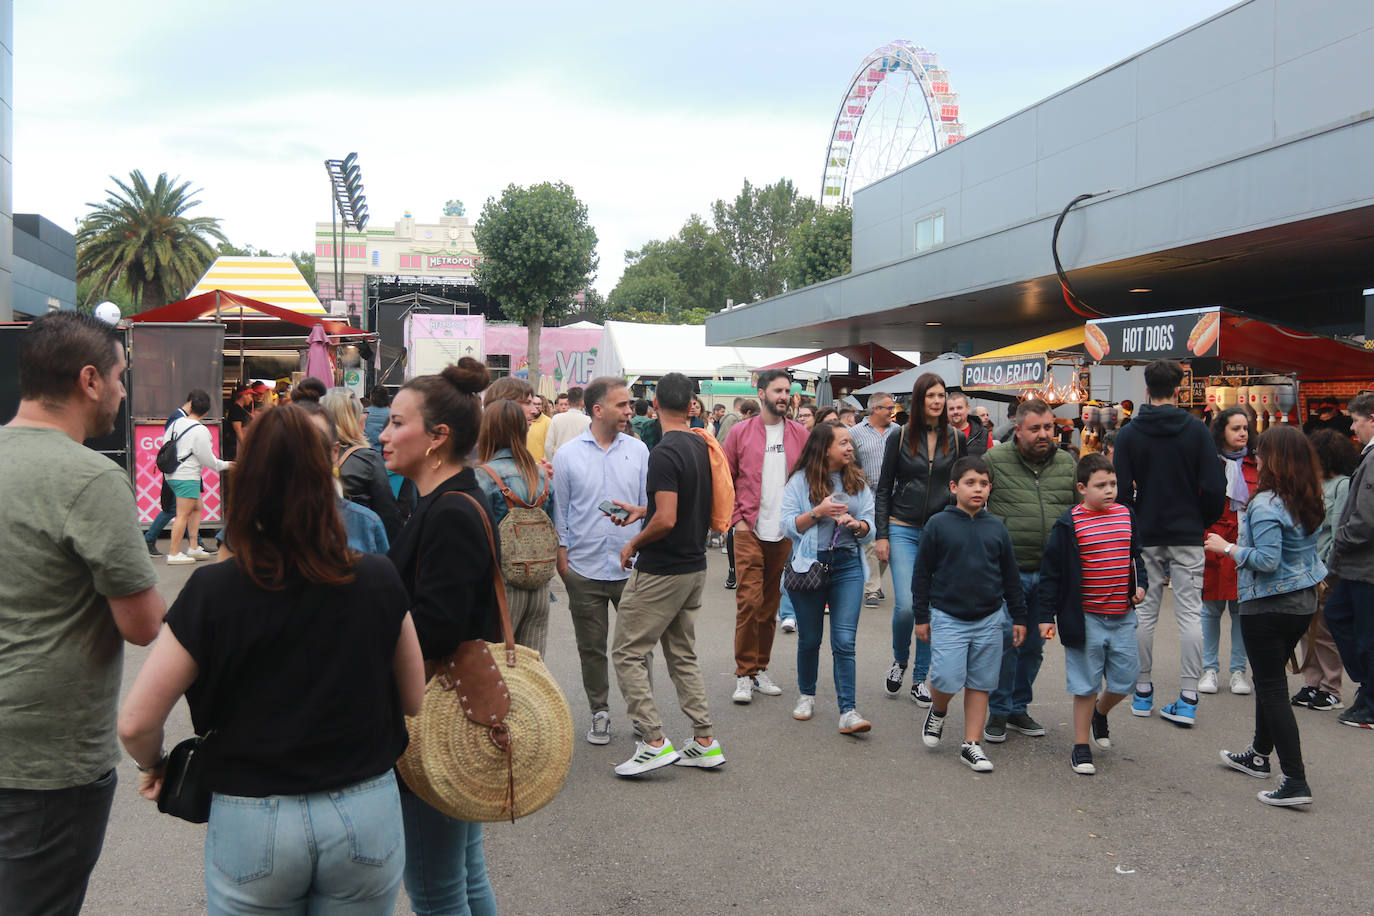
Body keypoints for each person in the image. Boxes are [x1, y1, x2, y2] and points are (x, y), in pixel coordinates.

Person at [118, 405, 424, 912]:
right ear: (324, 473)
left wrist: (155, 765)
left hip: (251, 815)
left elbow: (135, 722)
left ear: (250, 479)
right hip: (365, 807)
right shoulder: (377, 577)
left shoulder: (214, 591)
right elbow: (413, 700)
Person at [0, 311, 164, 915]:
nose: (124, 393)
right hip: (45, 764)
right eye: (121, 377)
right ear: (89, 379)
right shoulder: (90, 478)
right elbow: (143, 625)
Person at [381, 357, 501, 914]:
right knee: (463, 877)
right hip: (457, 715)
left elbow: (436, 629)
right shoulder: (445, 498)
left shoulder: (449, 508)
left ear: (437, 438)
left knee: (434, 888)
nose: (383, 434)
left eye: (397, 422)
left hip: (438, 715)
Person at [610, 372, 724, 775]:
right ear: (692, 406)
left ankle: (654, 740)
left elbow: (667, 519)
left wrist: (634, 542)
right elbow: (681, 504)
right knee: (682, 654)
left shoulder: (662, 452)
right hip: (694, 565)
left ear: (654, 405)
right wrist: (646, 511)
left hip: (663, 569)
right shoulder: (700, 444)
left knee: (626, 651)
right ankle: (705, 740)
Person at [1208, 426, 1327, 806]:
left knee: (1273, 689)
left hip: (1270, 604)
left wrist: (1227, 547)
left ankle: (1295, 779)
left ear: (1272, 459)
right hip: (1301, 601)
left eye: (1259, 453)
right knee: (1270, 679)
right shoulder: (1307, 496)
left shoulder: (1266, 503)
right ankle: (1259, 755)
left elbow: (1267, 560)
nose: (1254, 458)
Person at [1113, 359, 1226, 727]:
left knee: (1144, 613)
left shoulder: (1130, 433)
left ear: (1146, 389)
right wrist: (1200, 520)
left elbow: (1120, 488)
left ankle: (1142, 691)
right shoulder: (1196, 430)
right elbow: (1214, 486)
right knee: (1190, 613)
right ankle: (1189, 695)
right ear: (1178, 389)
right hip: (1187, 532)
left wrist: (1133, 521)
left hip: (1145, 531)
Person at [1035, 453, 1147, 776]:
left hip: (1122, 615)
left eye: (1113, 483)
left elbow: (1135, 556)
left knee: (1126, 680)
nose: (1110, 490)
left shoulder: (1126, 515)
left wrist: (1142, 584)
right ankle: (1081, 745)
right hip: (1085, 618)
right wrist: (1046, 616)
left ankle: (1101, 713)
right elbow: (1051, 573)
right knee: (1085, 684)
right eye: (1101, 485)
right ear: (1082, 488)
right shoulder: (1069, 523)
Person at [913, 457, 1026, 773]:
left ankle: (971, 744)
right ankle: (938, 709)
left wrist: (1019, 616)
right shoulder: (938, 525)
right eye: (970, 482)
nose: (978, 489)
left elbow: (1010, 575)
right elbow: (922, 574)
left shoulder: (996, 527)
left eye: (984, 483)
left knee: (980, 683)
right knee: (946, 677)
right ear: (954, 487)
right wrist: (921, 616)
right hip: (948, 616)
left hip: (990, 618)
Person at [552, 376, 649, 746]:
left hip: (630, 567)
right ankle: (600, 712)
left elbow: (647, 508)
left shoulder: (639, 451)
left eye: (629, 405)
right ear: (598, 410)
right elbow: (561, 510)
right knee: (591, 648)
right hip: (585, 568)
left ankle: (643, 716)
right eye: (622, 405)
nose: (629, 410)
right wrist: (564, 562)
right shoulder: (568, 455)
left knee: (637, 648)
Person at [983, 398, 1077, 742]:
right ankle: (998, 708)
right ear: (1018, 429)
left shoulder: (1067, 463)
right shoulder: (994, 460)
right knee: (1008, 638)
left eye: (1048, 427)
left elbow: (1077, 515)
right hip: (1009, 572)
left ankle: (1018, 706)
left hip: (1051, 574)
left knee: (1035, 645)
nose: (1043, 434)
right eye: (1035, 428)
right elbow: (977, 504)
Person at [875, 373, 966, 706]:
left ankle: (919, 678)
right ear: (919, 399)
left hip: (939, 531)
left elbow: (959, 487)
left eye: (941, 395)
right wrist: (882, 534)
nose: (938, 401)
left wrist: (958, 527)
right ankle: (900, 659)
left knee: (930, 607)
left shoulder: (955, 438)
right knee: (906, 607)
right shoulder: (898, 437)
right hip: (902, 527)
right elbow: (884, 489)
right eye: (931, 395)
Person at [781, 422, 876, 734]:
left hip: (847, 565)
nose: (850, 448)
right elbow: (787, 526)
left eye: (850, 443)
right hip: (810, 566)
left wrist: (858, 525)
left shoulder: (857, 479)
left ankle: (848, 710)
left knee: (844, 641)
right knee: (810, 639)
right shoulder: (799, 481)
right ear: (824, 449)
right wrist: (819, 512)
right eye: (843, 443)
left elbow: (871, 526)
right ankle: (806, 695)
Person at [722, 368, 810, 704]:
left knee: (770, 604)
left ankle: (759, 668)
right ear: (761, 394)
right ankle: (744, 673)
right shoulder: (741, 433)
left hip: (784, 531)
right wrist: (736, 521)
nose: (784, 396)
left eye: (787, 391)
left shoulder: (800, 434)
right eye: (777, 390)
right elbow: (725, 478)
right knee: (749, 601)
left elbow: (807, 479)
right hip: (748, 528)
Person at [477, 398, 555, 654]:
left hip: (501, 584)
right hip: (540, 583)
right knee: (531, 669)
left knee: (498, 667)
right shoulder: (541, 474)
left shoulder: (484, 476)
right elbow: (552, 524)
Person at [1294, 429, 1360, 710]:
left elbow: (1338, 529)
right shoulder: (1314, 483)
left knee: (1323, 629)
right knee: (1305, 627)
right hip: (1305, 564)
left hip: (1325, 567)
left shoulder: (1342, 485)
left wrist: (1329, 567)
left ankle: (1331, 686)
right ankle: (1312, 683)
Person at [1200, 408, 1259, 696]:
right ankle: (1208, 669)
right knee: (1210, 608)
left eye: (1245, 428)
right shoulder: (1208, 463)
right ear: (1221, 430)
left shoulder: (1257, 463)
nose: (1242, 433)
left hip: (1245, 541)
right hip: (1211, 538)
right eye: (1236, 428)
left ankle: (1238, 671)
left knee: (1240, 609)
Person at [1325, 392, 1374, 728]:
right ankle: (1367, 690)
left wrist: (1340, 542)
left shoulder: (1372, 458)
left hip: (1364, 564)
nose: (1353, 427)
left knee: (1361, 631)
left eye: (1357, 420)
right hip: (1361, 564)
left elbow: (1366, 518)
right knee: (1340, 617)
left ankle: (1370, 700)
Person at [296, 400, 390, 552]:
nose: (303, 451)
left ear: (334, 452)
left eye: (315, 442)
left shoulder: (366, 524)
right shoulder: (364, 523)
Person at [323, 389, 405, 542]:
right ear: (349, 418)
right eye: (362, 412)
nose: (366, 416)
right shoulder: (368, 459)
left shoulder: (310, 453)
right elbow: (389, 516)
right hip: (357, 548)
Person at [164, 389, 232, 565]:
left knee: (196, 507)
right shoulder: (201, 431)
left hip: (172, 473)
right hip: (187, 475)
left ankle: (193, 546)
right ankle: (173, 553)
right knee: (183, 514)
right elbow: (208, 460)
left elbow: (166, 444)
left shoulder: (175, 423)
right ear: (206, 412)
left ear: (191, 406)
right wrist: (228, 465)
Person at [849, 392, 900, 609]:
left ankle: (874, 581)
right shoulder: (855, 432)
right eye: (889, 408)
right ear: (875, 409)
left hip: (894, 495)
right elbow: (847, 459)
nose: (893, 412)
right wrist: (858, 473)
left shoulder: (898, 432)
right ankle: (872, 588)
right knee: (871, 541)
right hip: (867, 495)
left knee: (888, 541)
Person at [144, 392, 195, 556]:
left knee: (184, 507)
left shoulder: (178, 416)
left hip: (176, 468)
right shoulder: (178, 418)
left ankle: (195, 544)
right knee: (177, 508)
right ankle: (150, 539)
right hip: (176, 469)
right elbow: (174, 444)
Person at [544, 385, 590, 459]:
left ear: (568, 401)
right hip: (580, 463)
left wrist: (552, 462)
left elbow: (548, 446)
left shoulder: (556, 419)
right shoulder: (588, 421)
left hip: (559, 462)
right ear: (583, 402)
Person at [948, 390, 992, 456]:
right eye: (951, 409)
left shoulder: (983, 434)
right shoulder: (939, 434)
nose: (955, 412)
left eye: (959, 408)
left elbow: (991, 461)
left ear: (968, 409)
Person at [223, 384, 254, 460]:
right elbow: (238, 430)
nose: (251, 399)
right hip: (236, 447)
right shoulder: (236, 409)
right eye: (250, 396)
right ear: (244, 395)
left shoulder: (240, 409)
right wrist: (245, 446)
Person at [363, 384, 392, 449]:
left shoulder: (363, 412)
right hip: (385, 452)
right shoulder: (392, 413)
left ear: (371, 397)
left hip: (366, 451)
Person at [527, 393, 553, 460]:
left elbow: (549, 446)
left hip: (540, 465)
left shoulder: (548, 422)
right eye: (534, 404)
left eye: (539, 404)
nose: (537, 406)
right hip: (524, 464)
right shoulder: (523, 420)